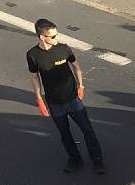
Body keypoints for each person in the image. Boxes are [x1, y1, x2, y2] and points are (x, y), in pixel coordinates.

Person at [26, 18, 105, 174]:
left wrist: (81, 86)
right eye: (53, 36)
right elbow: (34, 77)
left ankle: (97, 161)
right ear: (42, 37)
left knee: (88, 130)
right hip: (55, 103)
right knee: (65, 134)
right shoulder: (33, 55)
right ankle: (75, 159)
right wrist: (39, 98)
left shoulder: (64, 49)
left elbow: (76, 66)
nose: (57, 38)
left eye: (57, 35)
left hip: (73, 99)